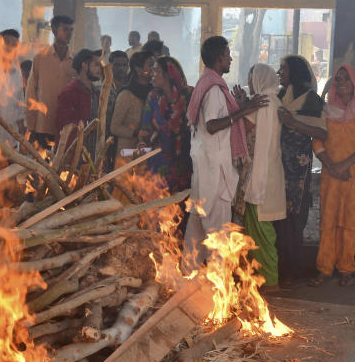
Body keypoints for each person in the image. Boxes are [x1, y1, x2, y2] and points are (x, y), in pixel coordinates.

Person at [184, 36, 266, 270]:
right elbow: (212, 125)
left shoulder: (209, 83)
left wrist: (239, 107)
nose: (231, 58)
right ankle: (219, 286)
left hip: (207, 165)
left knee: (198, 227)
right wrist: (245, 111)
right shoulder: (214, 89)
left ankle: (187, 280)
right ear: (219, 58)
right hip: (214, 168)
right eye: (228, 54)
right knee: (217, 229)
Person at [308, 65, 355, 287]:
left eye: (346, 79)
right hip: (332, 174)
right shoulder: (327, 112)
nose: (341, 83)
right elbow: (317, 141)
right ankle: (324, 268)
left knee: (350, 223)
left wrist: (344, 165)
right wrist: (331, 165)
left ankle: (347, 269)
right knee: (328, 221)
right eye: (338, 79)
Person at [274, 55, 327, 282]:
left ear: (294, 72)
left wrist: (294, 124)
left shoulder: (311, 100)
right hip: (277, 165)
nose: (278, 73)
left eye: (282, 69)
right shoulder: (278, 96)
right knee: (278, 218)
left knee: (295, 219)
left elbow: (323, 133)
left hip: (298, 171)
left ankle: (293, 271)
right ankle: (279, 268)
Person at [234, 64, 286, 291]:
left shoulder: (260, 103)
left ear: (260, 79)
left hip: (259, 175)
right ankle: (263, 279)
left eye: (251, 77)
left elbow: (239, 132)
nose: (249, 81)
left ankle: (269, 281)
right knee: (264, 229)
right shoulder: (276, 101)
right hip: (272, 172)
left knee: (260, 231)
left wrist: (240, 107)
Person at [139, 56, 194, 193]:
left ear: (169, 74)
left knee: (183, 205)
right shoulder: (153, 97)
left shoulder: (189, 95)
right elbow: (145, 129)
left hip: (185, 160)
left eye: (156, 70)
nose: (152, 74)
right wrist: (143, 145)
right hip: (159, 162)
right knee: (159, 206)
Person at [26, 15, 74, 147]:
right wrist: (31, 125)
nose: (69, 34)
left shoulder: (74, 61)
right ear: (54, 30)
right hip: (43, 125)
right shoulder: (40, 58)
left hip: (66, 126)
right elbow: (31, 92)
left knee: (64, 165)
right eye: (65, 30)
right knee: (43, 164)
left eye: (71, 30)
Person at [55, 48, 102, 154]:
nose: (99, 69)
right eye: (96, 65)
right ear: (84, 66)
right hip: (75, 156)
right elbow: (64, 127)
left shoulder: (96, 93)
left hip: (93, 153)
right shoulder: (70, 93)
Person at [110, 51, 154, 157]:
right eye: (150, 65)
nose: (154, 68)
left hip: (146, 154)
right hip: (127, 154)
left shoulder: (154, 93)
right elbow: (114, 127)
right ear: (139, 70)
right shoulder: (126, 95)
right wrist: (136, 133)